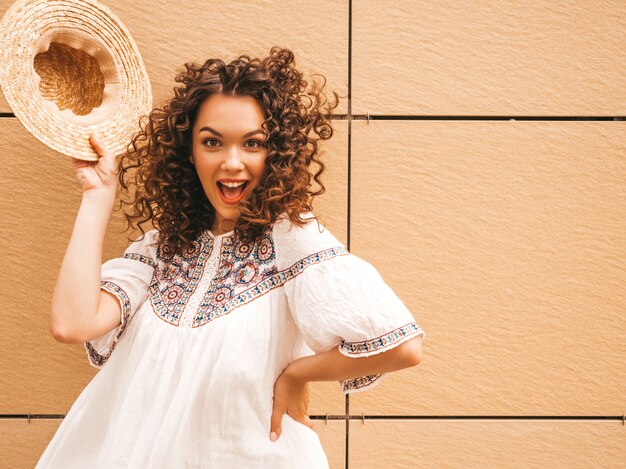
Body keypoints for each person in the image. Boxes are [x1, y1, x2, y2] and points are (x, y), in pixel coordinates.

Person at [37, 47, 426, 468]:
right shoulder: (161, 249)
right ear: (190, 152)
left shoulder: (292, 240)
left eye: (253, 143)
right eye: (212, 142)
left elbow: (402, 346)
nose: (232, 162)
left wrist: (297, 374)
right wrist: (98, 195)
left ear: (275, 154)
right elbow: (72, 323)